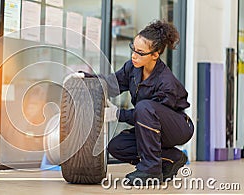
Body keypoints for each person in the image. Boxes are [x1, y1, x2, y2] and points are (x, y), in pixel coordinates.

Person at [76, 20, 194, 185]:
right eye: (133, 48)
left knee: (144, 107)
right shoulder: (132, 68)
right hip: (151, 125)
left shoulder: (166, 83)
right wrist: (90, 80)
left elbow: (147, 114)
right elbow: (112, 84)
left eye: (140, 52)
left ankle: (150, 170)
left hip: (177, 128)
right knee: (117, 147)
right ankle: (171, 158)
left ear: (155, 54)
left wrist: (118, 114)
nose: (134, 55)